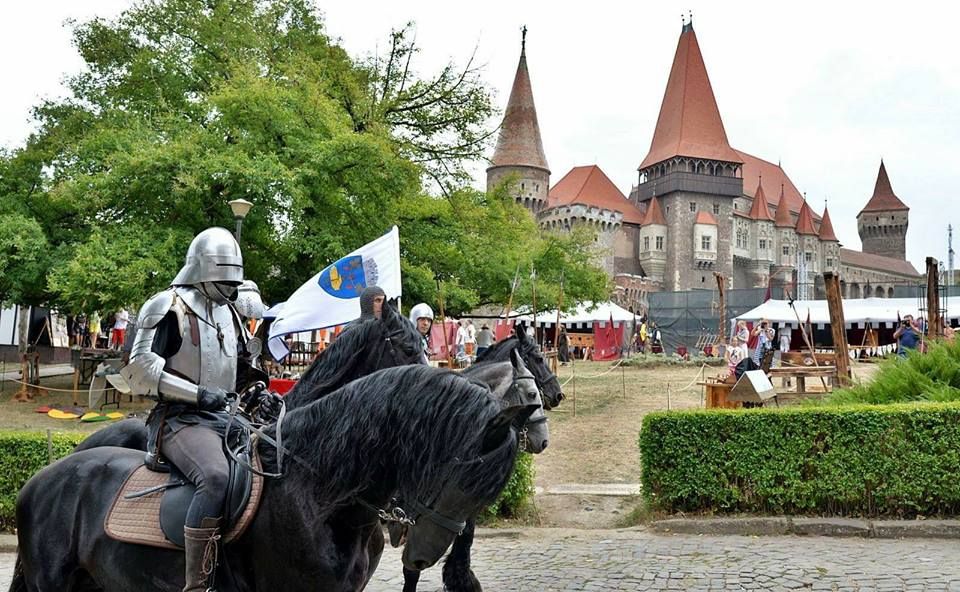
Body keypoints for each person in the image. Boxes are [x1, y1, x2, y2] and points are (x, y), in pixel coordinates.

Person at [119, 227, 253, 592]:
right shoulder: (167, 306)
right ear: (203, 271)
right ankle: (197, 583)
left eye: (232, 280)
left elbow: (241, 370)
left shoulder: (231, 311)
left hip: (226, 417)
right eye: (223, 279)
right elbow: (140, 370)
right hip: (179, 419)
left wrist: (258, 391)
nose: (230, 287)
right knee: (215, 477)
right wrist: (196, 394)